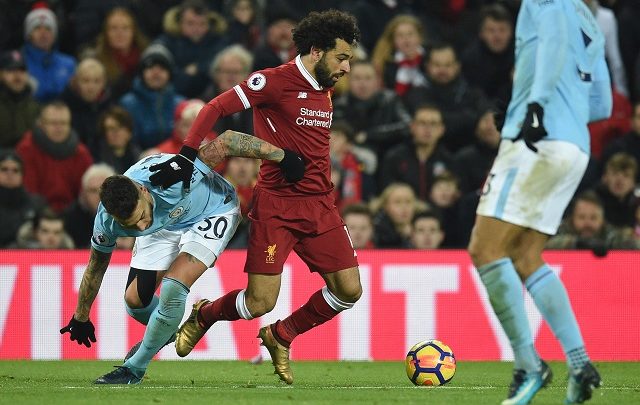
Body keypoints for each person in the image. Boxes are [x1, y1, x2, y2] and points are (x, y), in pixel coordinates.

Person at [147, 10, 362, 385]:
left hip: (320, 205)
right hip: (277, 207)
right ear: (316, 51)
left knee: (349, 291)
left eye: (350, 60)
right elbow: (215, 107)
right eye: (341, 57)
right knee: (260, 303)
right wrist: (186, 154)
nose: (346, 67)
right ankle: (205, 315)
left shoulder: (325, 87)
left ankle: (281, 335)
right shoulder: (274, 81)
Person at [59, 129, 305, 384]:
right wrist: (81, 315)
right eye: (131, 225)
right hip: (166, 225)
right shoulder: (107, 221)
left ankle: (134, 368)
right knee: (134, 302)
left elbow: (228, 140)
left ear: (143, 191)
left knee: (173, 286)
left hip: (213, 211)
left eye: (140, 216)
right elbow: (96, 266)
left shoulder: (173, 179)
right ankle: (165, 331)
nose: (141, 227)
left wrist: (282, 156)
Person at [467, 1, 612, 404]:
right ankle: (579, 362)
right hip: (574, 146)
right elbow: (602, 105)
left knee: (485, 249)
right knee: (526, 256)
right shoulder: (592, 23)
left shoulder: (545, 2)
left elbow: (551, 41)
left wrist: (535, 105)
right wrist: (530, 102)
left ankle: (529, 365)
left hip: (538, 139)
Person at [16, 101, 93, 213]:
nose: (59, 128)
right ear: (41, 124)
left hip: (73, 214)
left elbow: (85, 193)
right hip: (37, 212)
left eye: (63, 123)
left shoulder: (81, 153)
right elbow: (28, 192)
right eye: (53, 123)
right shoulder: (26, 150)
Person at [546, 190, 640, 252]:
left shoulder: (610, 233)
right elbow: (546, 245)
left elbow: (633, 245)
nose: (587, 223)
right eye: (582, 217)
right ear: (572, 218)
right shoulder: (561, 230)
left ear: (602, 219)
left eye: (593, 218)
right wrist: (577, 243)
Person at [0, 150, 46, 248]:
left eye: (15, 170)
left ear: (22, 175)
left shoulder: (36, 204)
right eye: (4, 169)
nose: (10, 174)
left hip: (28, 258)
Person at [0, 50, 40, 148]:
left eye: (22, 70)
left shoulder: (36, 107)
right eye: (11, 70)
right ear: (1, 74)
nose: (17, 75)